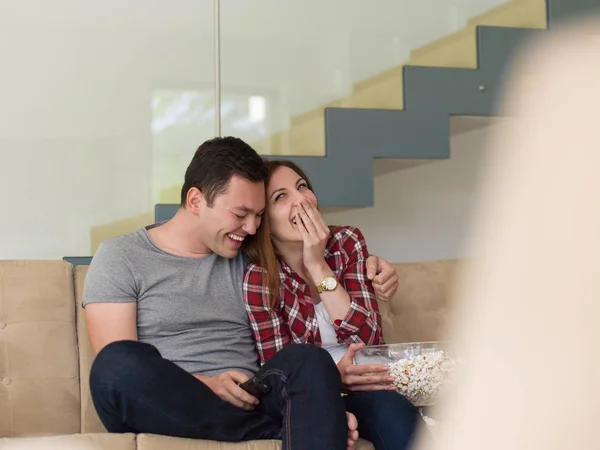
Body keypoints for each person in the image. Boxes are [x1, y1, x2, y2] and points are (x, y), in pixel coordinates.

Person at [82, 136, 400, 449]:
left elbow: (312, 256)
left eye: (259, 216)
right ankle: (284, 430)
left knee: (309, 360)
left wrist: (372, 265)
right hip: (171, 402)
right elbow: (118, 357)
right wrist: (208, 385)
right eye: (240, 214)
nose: (250, 228)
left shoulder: (249, 257)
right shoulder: (121, 256)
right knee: (115, 365)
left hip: (253, 397)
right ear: (195, 201)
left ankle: (293, 424)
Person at [242, 160, 423, 450]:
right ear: (264, 221)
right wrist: (334, 377)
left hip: (368, 386)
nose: (301, 199)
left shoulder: (346, 243)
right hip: (308, 399)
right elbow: (282, 370)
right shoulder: (260, 278)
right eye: (281, 196)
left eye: (302, 187)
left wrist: (316, 264)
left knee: (394, 414)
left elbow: (368, 339)